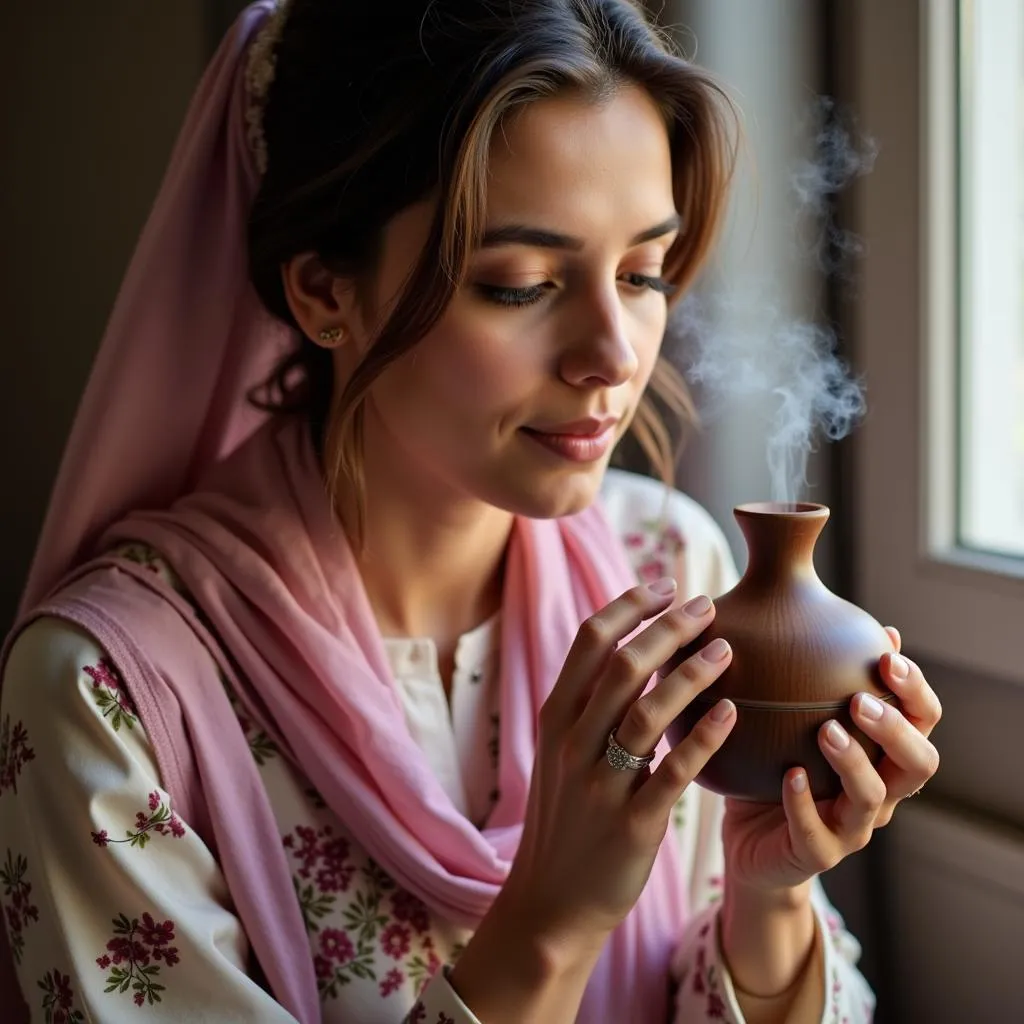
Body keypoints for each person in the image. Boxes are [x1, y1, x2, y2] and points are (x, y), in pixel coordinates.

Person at [0, 1, 941, 1021]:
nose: (615, 357)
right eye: (522, 283)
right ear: (324, 292)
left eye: (642, 273)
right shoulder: (106, 692)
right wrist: (551, 924)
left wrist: (768, 889)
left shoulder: (669, 564)